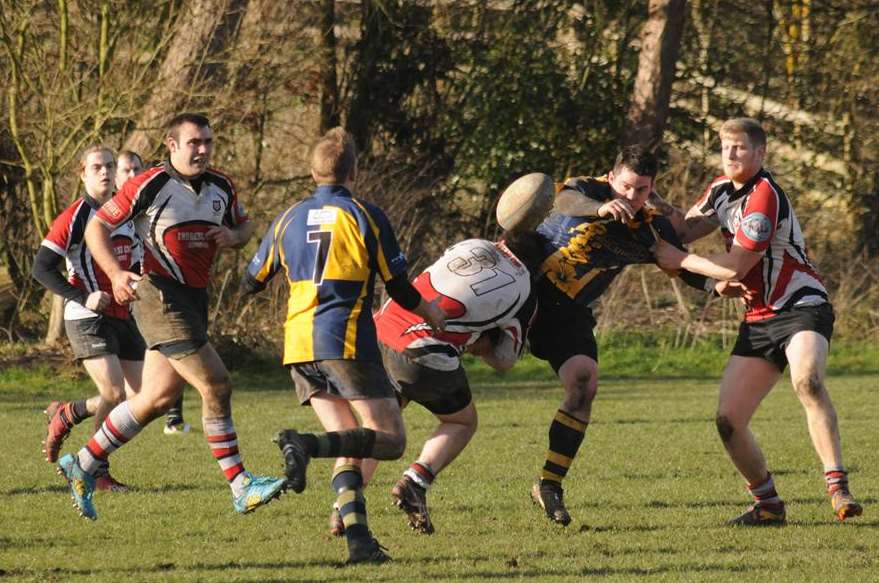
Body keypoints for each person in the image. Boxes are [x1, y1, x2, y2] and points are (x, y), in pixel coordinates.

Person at [56, 113, 286, 521]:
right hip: (159, 297)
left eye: (208, 142)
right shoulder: (148, 185)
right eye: (194, 142)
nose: (202, 150)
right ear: (171, 144)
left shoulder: (222, 185)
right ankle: (240, 485)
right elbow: (96, 230)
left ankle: (84, 462)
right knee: (216, 383)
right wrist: (114, 272)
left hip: (195, 299)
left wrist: (234, 237)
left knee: (156, 399)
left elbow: (246, 224)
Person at [242, 127, 446, 564]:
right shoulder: (365, 215)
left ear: (312, 171)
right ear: (354, 170)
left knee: (350, 442)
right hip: (345, 339)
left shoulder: (288, 217)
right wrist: (431, 313)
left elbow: (251, 281)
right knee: (389, 440)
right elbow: (400, 288)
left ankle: (359, 542)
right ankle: (304, 445)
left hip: (298, 344)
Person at [653, 118, 863, 525]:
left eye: (740, 148)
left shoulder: (765, 197)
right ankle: (768, 505)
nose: (730, 155)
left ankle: (838, 488)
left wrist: (679, 262)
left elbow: (734, 266)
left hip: (802, 305)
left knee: (808, 380)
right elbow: (681, 228)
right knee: (728, 421)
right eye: (725, 148)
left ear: (761, 153)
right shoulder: (719, 190)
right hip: (759, 317)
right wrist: (645, 201)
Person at [527, 145, 712, 526]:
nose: (631, 197)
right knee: (451, 364)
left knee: (584, 382)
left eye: (641, 190)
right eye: (626, 187)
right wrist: (600, 209)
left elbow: (677, 261)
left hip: (567, 314)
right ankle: (399, 450)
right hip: (521, 290)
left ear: (651, 189)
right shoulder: (586, 189)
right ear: (611, 178)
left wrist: (720, 284)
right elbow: (564, 201)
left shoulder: (648, 226)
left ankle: (549, 485)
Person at [354, 232, 543, 536]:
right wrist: (480, 344)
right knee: (462, 421)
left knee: (379, 429)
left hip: (378, 331)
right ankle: (415, 483)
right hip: (423, 353)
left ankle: (346, 507)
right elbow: (504, 361)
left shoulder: (471, 244)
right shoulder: (527, 290)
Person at [32, 145, 145, 493]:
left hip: (123, 314)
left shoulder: (127, 213)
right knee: (112, 390)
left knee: (144, 397)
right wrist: (84, 296)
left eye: (110, 166)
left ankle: (69, 412)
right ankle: (94, 473)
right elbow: (41, 268)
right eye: (96, 167)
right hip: (86, 315)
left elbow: (136, 262)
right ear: (82, 173)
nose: (105, 172)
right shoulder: (74, 217)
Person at [115, 149, 191, 436]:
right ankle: (82, 421)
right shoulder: (111, 214)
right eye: (126, 170)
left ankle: (174, 416)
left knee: (175, 348)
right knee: (123, 390)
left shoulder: (154, 205)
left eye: (136, 168)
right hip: (117, 300)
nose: (132, 175)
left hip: (151, 294)